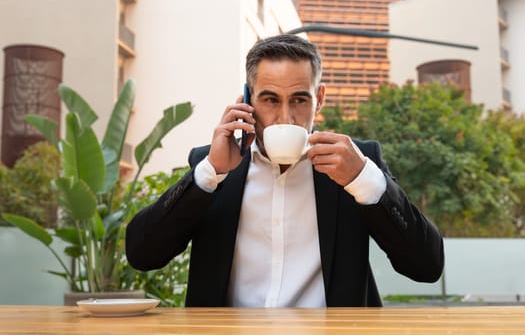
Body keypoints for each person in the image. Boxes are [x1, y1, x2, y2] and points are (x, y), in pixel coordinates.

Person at [125, 34, 444, 307]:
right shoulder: (214, 166)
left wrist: (363, 179)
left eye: (300, 100)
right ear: (248, 99)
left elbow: (426, 267)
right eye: (270, 99)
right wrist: (209, 173)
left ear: (319, 100)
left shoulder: (356, 165)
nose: (286, 118)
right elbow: (142, 254)